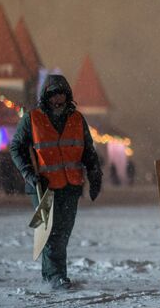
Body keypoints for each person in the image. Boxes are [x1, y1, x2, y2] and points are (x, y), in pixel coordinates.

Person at [10, 74, 102, 290]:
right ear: (45, 96)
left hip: (71, 185)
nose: (57, 99)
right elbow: (16, 148)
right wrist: (29, 174)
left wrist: (95, 174)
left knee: (63, 231)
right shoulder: (32, 119)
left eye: (61, 94)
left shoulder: (77, 119)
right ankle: (57, 276)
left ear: (67, 95)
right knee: (51, 232)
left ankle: (50, 273)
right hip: (43, 186)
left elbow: (88, 150)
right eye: (52, 95)